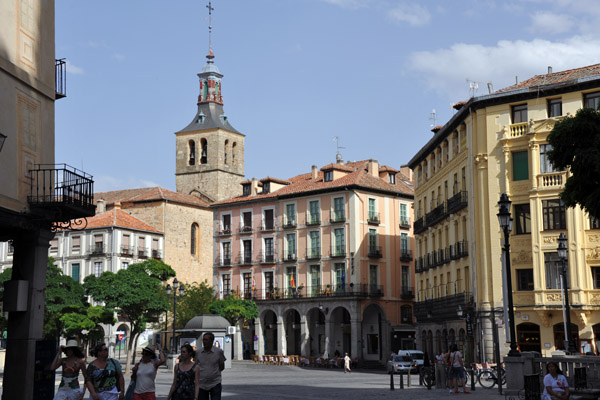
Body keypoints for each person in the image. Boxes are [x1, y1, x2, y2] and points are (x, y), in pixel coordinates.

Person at [196, 332, 226, 400]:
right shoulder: (198, 352)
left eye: (206, 340)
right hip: (201, 384)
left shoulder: (218, 352)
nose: (204, 342)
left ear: (212, 341)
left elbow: (222, 366)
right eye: (203, 340)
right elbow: (196, 366)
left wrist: (213, 373)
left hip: (215, 383)